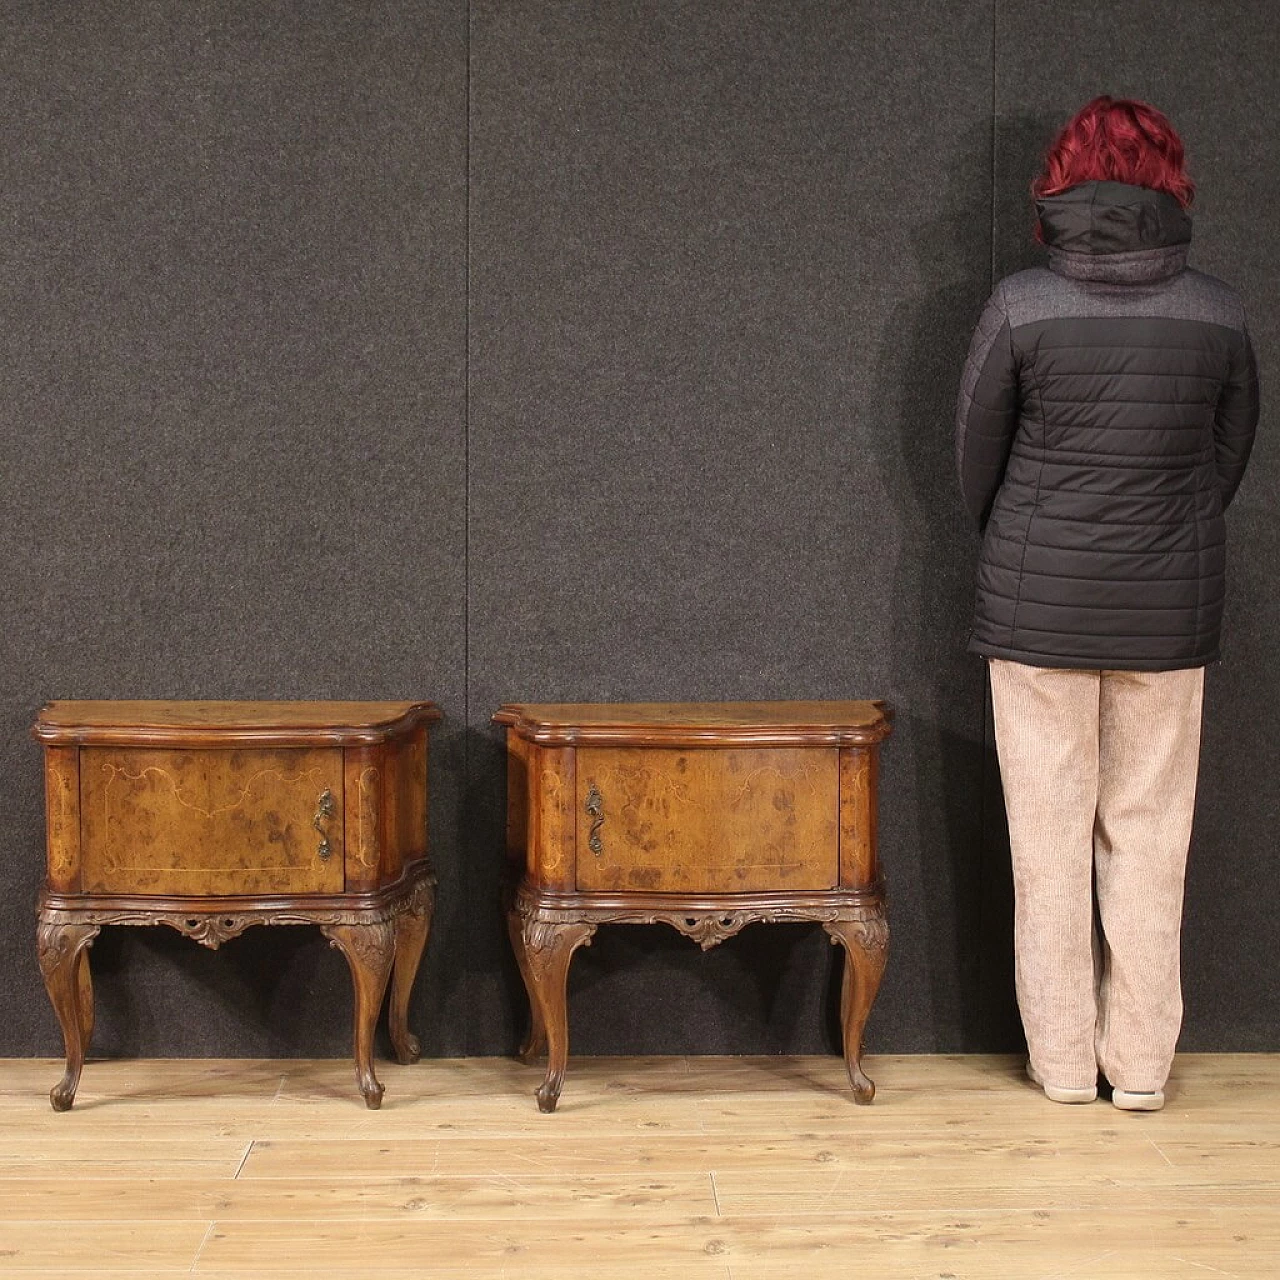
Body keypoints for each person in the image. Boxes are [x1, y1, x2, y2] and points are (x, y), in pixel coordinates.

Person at [954, 96, 1260, 1111]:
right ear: (1168, 181)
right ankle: (1137, 1070)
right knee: (1148, 835)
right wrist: (1160, 533)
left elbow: (972, 461)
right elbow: (1225, 460)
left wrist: (1029, 540)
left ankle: (1058, 1068)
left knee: (1043, 841)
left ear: (1061, 184)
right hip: (1166, 613)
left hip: (1034, 610)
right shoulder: (1217, 311)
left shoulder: (1018, 304)